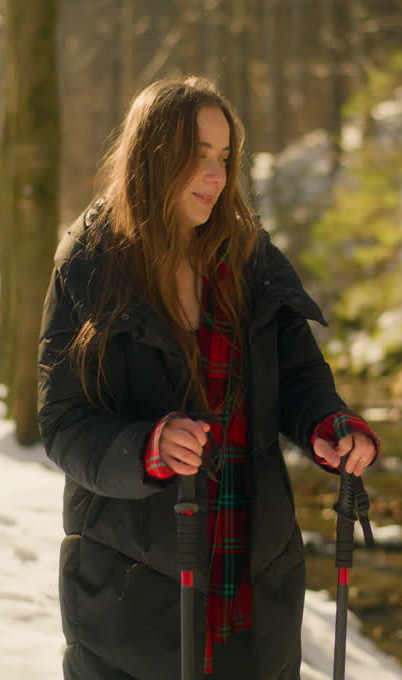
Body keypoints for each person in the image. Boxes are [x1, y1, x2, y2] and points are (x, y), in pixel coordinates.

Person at [37, 76, 380, 679]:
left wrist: (330, 424)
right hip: (132, 598)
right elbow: (64, 423)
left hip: (255, 582)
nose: (218, 177)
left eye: (224, 158)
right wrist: (146, 449)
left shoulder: (249, 258)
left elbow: (300, 376)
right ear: (152, 157)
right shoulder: (90, 264)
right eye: (198, 158)